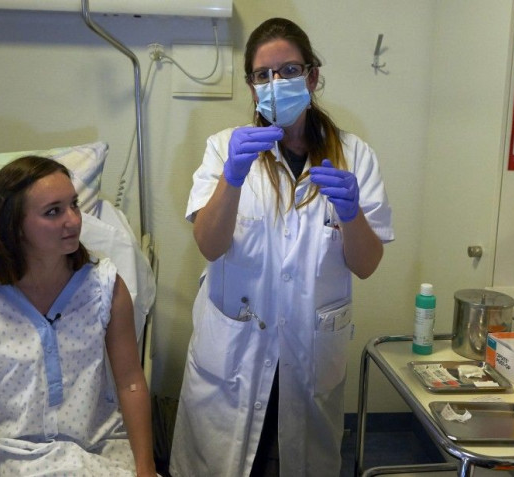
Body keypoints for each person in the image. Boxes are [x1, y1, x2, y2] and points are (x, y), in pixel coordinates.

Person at [169, 17, 394, 477]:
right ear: (252, 87)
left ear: (311, 76)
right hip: (234, 355)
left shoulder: (355, 156)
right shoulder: (222, 149)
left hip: (308, 354)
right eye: (263, 75)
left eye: (288, 70)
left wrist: (351, 214)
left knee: (299, 462)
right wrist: (231, 178)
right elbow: (210, 245)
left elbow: (367, 265)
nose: (276, 83)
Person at [0, 156, 156, 476]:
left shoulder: (104, 288)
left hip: (95, 448)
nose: (73, 220)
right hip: (8, 455)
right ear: (14, 225)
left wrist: (145, 468)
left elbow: (130, 383)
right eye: (53, 211)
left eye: (73, 205)